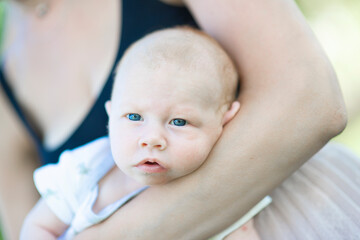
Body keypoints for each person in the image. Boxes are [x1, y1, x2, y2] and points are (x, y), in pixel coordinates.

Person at [0, 0, 347, 239]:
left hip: (291, 218)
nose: (151, 137)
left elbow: (312, 100)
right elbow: (31, 227)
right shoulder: (7, 81)